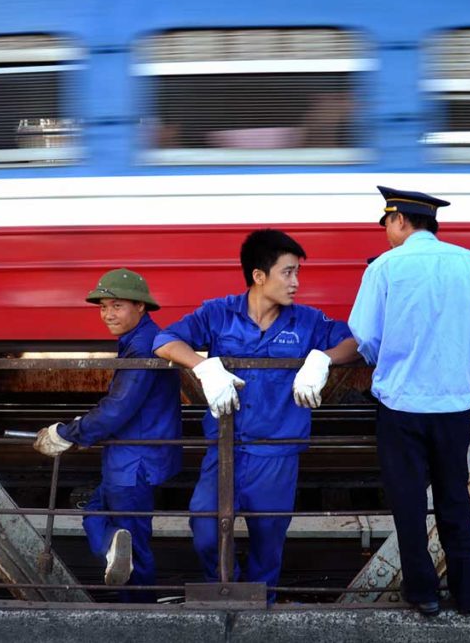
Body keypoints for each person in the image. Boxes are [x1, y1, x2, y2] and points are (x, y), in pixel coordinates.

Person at [152, 229, 359, 602]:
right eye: (288, 273)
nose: (296, 283)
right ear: (259, 276)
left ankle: (260, 604)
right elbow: (164, 340)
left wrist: (323, 358)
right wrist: (203, 366)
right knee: (206, 527)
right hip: (226, 449)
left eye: (298, 273)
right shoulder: (218, 314)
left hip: (277, 454)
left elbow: (354, 342)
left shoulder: (306, 321)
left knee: (268, 542)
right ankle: (224, 589)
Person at [348, 186, 470, 618]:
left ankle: (424, 593)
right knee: (454, 498)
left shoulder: (384, 268)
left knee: (408, 504)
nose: (386, 231)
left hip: (401, 408)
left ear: (400, 220)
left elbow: (366, 337)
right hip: (453, 407)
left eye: (387, 222)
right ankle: (467, 593)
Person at [33, 268, 181, 603]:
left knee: (135, 546)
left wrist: (68, 433)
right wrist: (79, 426)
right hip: (138, 455)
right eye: (103, 307)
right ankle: (114, 543)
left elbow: (118, 408)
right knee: (96, 510)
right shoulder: (140, 340)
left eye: (116, 306)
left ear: (140, 307)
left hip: (133, 460)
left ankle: (137, 613)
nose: (107, 314)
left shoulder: (142, 348)